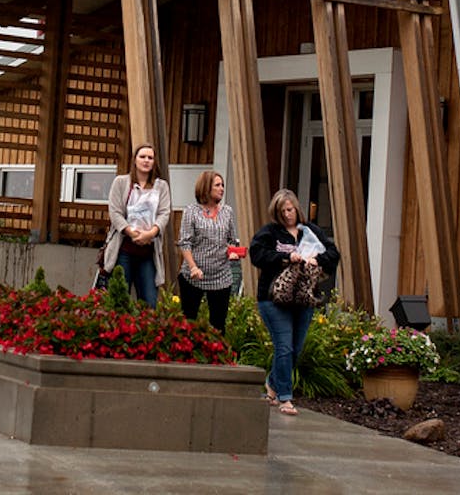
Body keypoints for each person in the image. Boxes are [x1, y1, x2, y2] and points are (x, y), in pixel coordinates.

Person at [250, 188, 340, 416]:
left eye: (290, 209)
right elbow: (257, 254)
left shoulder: (311, 231)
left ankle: (272, 382)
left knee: (295, 349)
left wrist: (315, 259)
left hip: (302, 299)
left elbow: (333, 254)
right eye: (283, 211)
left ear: (297, 209)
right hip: (274, 299)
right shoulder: (270, 233)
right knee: (284, 346)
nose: (288, 214)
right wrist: (285, 257)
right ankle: (286, 398)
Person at [102, 143, 171, 307]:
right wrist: (132, 233)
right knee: (120, 301)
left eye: (150, 158)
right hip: (124, 250)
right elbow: (115, 212)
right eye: (143, 157)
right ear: (135, 160)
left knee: (150, 302)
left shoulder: (161, 186)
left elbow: (164, 213)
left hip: (147, 252)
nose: (146, 161)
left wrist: (150, 233)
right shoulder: (121, 182)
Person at [176, 171, 239, 333]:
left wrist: (232, 252)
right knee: (188, 323)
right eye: (217, 185)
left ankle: (216, 356)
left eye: (222, 185)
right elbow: (184, 242)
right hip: (194, 276)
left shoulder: (227, 212)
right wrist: (193, 267)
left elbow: (232, 240)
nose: (222, 189)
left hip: (221, 277)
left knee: (218, 326)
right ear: (206, 188)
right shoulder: (191, 211)